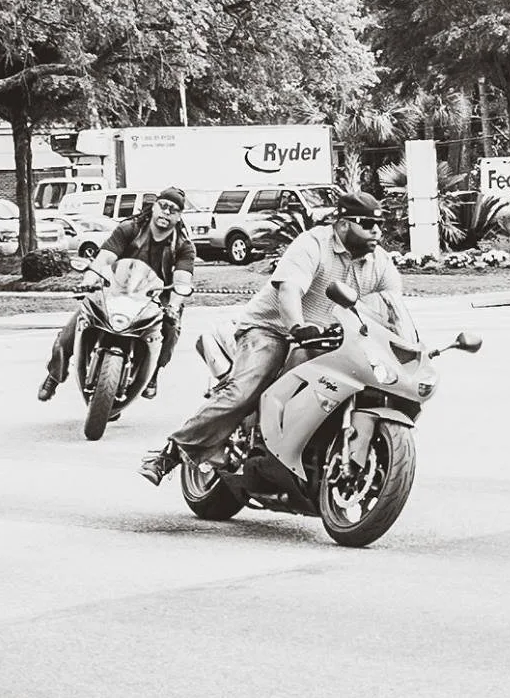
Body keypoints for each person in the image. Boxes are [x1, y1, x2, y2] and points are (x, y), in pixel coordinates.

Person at [140, 190, 403, 486]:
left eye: (379, 225)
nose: (376, 232)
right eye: (368, 224)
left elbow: (394, 306)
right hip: (273, 329)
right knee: (244, 390)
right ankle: (171, 452)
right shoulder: (314, 244)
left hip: (333, 339)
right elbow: (289, 290)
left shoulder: (378, 261)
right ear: (343, 224)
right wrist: (297, 327)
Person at [38, 186, 195, 403]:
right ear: (154, 206)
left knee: (171, 329)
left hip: (154, 301)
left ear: (179, 217)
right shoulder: (130, 229)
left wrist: (174, 306)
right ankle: (54, 376)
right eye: (164, 206)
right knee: (72, 330)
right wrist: (88, 282)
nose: (166, 213)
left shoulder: (183, 246)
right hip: (114, 290)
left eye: (174, 210)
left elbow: (182, 281)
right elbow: (104, 259)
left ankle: (153, 374)